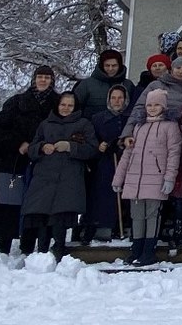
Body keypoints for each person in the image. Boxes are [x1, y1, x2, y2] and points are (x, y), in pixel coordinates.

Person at [21, 92, 98, 261]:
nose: (66, 108)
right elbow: (32, 148)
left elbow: (92, 149)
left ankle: (59, 249)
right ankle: (41, 251)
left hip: (69, 177)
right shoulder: (45, 124)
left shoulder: (84, 124)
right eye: (63, 105)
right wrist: (42, 147)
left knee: (60, 216)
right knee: (42, 214)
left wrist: (71, 146)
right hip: (44, 175)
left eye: (70, 105)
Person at [0, 65, 60, 254]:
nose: (43, 80)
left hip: (44, 161)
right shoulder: (17, 102)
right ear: (34, 79)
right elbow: (0, 129)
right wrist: (18, 143)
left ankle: (30, 245)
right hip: (15, 160)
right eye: (40, 77)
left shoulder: (57, 103)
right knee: (9, 204)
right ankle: (3, 246)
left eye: (47, 77)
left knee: (36, 205)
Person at [112, 88, 182, 266]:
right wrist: (118, 178)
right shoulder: (138, 126)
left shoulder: (170, 126)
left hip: (156, 178)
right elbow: (128, 154)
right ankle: (136, 248)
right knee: (137, 216)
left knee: (152, 215)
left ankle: (148, 251)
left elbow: (174, 153)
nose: (152, 108)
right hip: (135, 178)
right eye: (149, 105)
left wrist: (169, 178)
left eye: (156, 105)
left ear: (163, 107)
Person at [82, 85, 130, 244]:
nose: (117, 101)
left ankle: (122, 226)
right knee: (104, 194)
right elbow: (91, 138)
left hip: (125, 160)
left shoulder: (130, 118)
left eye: (120, 98)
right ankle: (102, 227)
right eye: (114, 98)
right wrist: (99, 146)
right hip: (105, 162)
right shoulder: (98, 118)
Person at [73, 49, 135, 119]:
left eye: (114, 65)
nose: (110, 69)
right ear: (102, 66)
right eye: (107, 65)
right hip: (91, 127)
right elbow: (75, 109)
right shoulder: (86, 85)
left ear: (120, 66)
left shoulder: (128, 85)